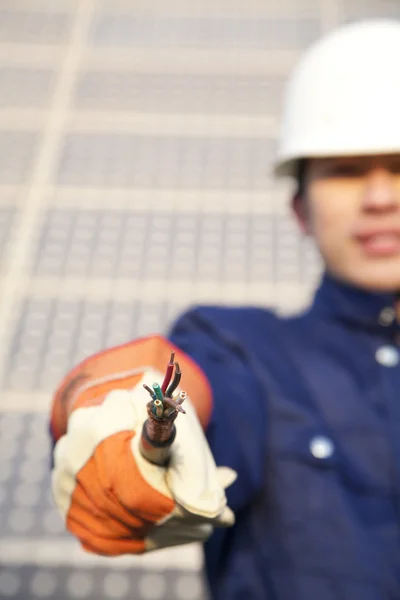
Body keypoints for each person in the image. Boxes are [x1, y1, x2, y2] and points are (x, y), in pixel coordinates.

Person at [49, 18, 400, 600]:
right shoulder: (247, 351)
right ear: (299, 208)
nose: (380, 197)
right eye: (344, 170)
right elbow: (188, 392)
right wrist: (115, 412)